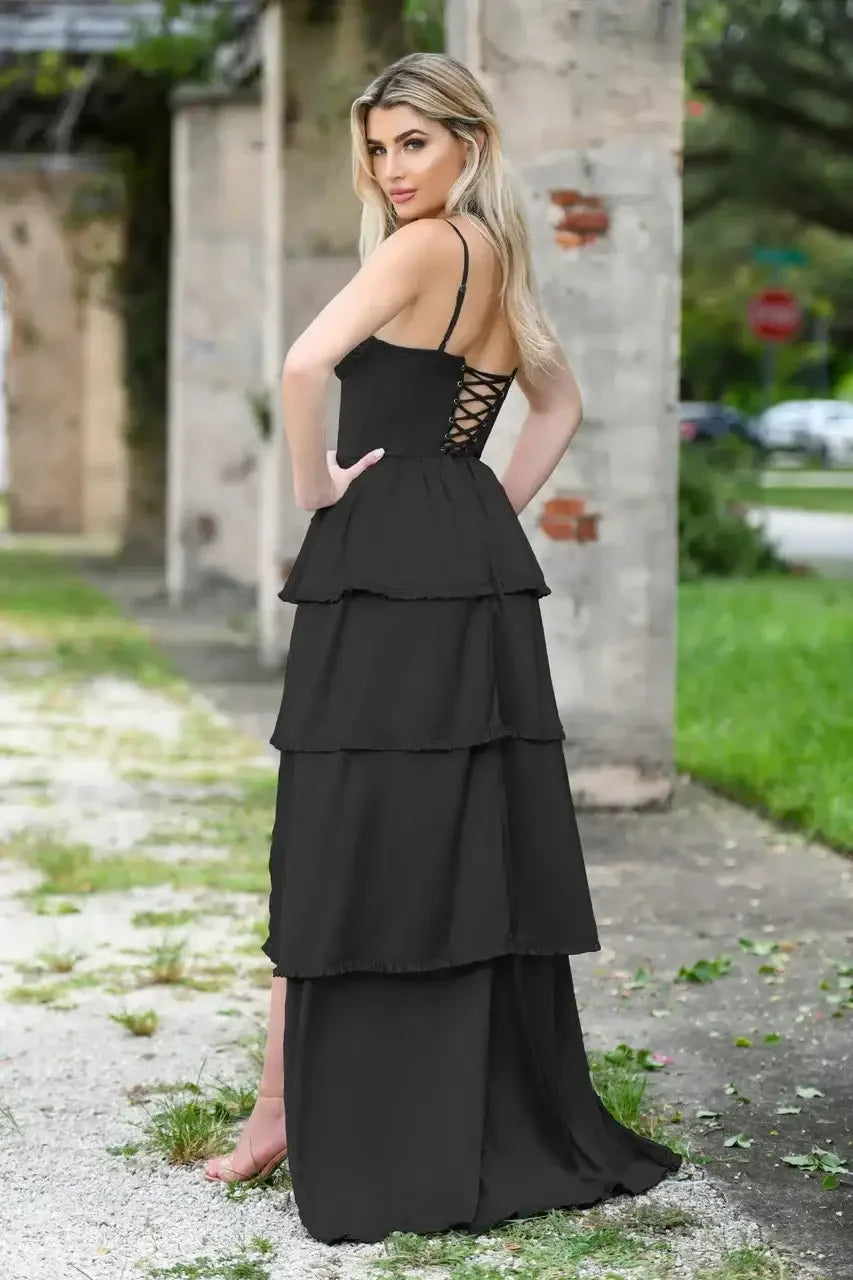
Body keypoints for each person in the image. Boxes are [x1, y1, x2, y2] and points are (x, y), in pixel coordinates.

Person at [204, 50, 682, 1243]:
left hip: (379, 555)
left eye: (413, 141)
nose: (391, 168)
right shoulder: (502, 258)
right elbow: (558, 404)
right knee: (455, 831)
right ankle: (320, 1105)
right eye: (377, 148)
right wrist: (483, 510)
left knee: (337, 821)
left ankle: (283, 1110)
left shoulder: (420, 249)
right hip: (460, 557)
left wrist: (315, 483)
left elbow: (304, 363)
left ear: (470, 139)